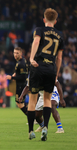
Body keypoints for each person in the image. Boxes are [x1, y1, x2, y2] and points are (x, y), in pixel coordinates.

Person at [27, 8, 64, 141]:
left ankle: (31, 131)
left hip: (38, 67)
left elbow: (36, 42)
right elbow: (59, 58)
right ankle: (46, 128)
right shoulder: (60, 35)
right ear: (56, 20)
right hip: (51, 69)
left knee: (32, 101)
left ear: (44, 19)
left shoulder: (39, 30)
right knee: (47, 100)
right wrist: (56, 74)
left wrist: (31, 59)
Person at [6, 47, 28, 115]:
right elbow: (20, 73)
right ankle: (33, 118)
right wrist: (15, 74)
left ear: (21, 53)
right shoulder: (20, 61)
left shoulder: (21, 63)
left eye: (17, 53)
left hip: (22, 85)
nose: (15, 54)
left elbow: (23, 77)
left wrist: (12, 77)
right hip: (20, 85)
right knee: (19, 103)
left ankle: (33, 118)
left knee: (20, 104)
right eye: (14, 53)